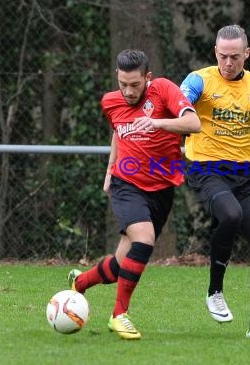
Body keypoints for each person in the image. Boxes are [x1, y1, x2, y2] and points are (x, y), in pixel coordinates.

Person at [68, 49, 200, 340]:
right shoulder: (110, 101)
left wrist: (157, 122)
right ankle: (119, 315)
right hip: (126, 184)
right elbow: (118, 131)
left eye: (135, 85)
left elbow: (194, 124)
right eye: (122, 84)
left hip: (162, 188)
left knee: (119, 265)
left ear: (147, 78)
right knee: (144, 239)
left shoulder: (164, 89)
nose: (128, 91)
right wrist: (109, 170)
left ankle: (79, 284)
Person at [179, 25, 250, 341]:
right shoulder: (199, 79)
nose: (228, 63)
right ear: (215, 53)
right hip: (206, 168)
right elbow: (182, 103)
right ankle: (215, 290)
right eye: (222, 56)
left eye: (234, 56)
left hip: (245, 175)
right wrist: (179, 115)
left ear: (246, 54)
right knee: (230, 215)